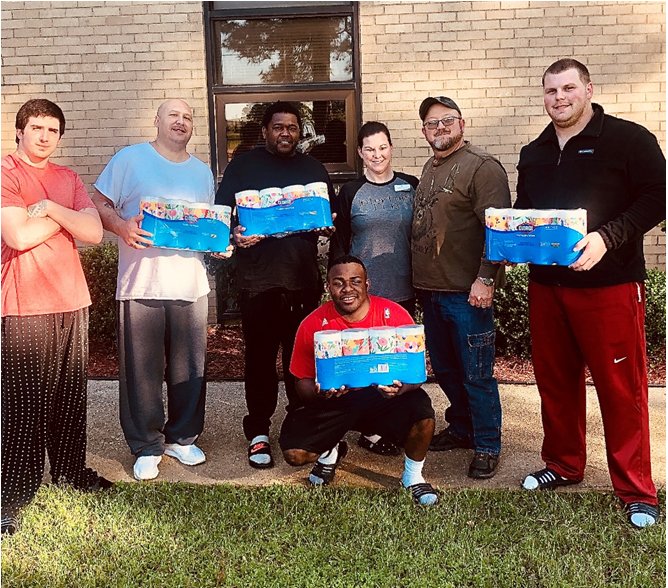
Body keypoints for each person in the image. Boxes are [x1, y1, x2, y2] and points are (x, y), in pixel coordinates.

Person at [515, 59, 665, 529]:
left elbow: (657, 196)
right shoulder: (534, 150)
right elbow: (526, 210)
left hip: (610, 287)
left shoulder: (628, 139)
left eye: (567, 88)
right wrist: (509, 236)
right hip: (547, 287)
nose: (559, 98)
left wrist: (608, 236)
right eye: (550, 91)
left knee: (621, 390)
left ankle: (637, 488)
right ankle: (563, 464)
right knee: (555, 383)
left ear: (588, 89)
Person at [93, 98, 220, 481]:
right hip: (141, 282)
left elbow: (206, 227)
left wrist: (221, 241)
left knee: (189, 366)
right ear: (157, 121)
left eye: (187, 117)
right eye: (173, 116)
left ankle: (182, 437)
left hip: (190, 284)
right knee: (142, 371)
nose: (181, 122)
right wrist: (121, 227)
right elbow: (98, 202)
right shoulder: (130, 159)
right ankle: (146, 444)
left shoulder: (202, 172)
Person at [1, 99, 112, 535]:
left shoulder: (66, 178)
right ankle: (13, 494)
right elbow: (18, 234)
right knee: (22, 407)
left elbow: (95, 233)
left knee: (69, 399)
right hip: (24, 304)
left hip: (72, 301)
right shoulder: (7, 174)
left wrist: (47, 208)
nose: (44, 136)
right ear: (19, 132)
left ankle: (70, 472)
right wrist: (68, 218)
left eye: (52, 130)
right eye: (36, 128)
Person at [215, 101, 337, 469]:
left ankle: (300, 426)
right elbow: (223, 220)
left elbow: (328, 220)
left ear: (300, 133)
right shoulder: (243, 167)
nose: (286, 133)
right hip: (258, 284)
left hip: (303, 284)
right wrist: (234, 235)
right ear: (265, 131)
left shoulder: (312, 169)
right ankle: (258, 432)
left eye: (293, 128)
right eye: (279, 127)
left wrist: (326, 226)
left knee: (302, 364)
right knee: (260, 363)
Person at [280, 255, 439, 506]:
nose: (347, 289)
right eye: (338, 282)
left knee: (423, 414)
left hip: (382, 397)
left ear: (367, 284)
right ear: (328, 287)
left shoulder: (395, 315)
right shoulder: (312, 324)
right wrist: (320, 394)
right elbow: (302, 382)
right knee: (295, 454)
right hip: (336, 401)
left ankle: (413, 477)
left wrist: (400, 389)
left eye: (355, 281)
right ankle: (330, 449)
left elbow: (416, 376)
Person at [412, 96, 511, 479]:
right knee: (448, 370)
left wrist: (486, 278)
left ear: (462, 124)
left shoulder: (482, 167)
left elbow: (498, 229)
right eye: (432, 123)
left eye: (446, 121)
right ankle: (464, 427)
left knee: (477, 373)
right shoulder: (431, 165)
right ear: (423, 132)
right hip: (432, 291)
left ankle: (487, 443)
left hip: (467, 293)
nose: (440, 128)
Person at [330, 121, 418, 457]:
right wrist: (341, 290)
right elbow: (340, 244)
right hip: (363, 295)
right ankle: (367, 428)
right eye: (369, 149)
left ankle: (393, 424)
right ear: (360, 154)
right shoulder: (351, 192)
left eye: (382, 147)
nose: (377, 155)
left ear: (391, 148)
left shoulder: (411, 186)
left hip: (403, 289)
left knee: (395, 363)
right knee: (364, 362)